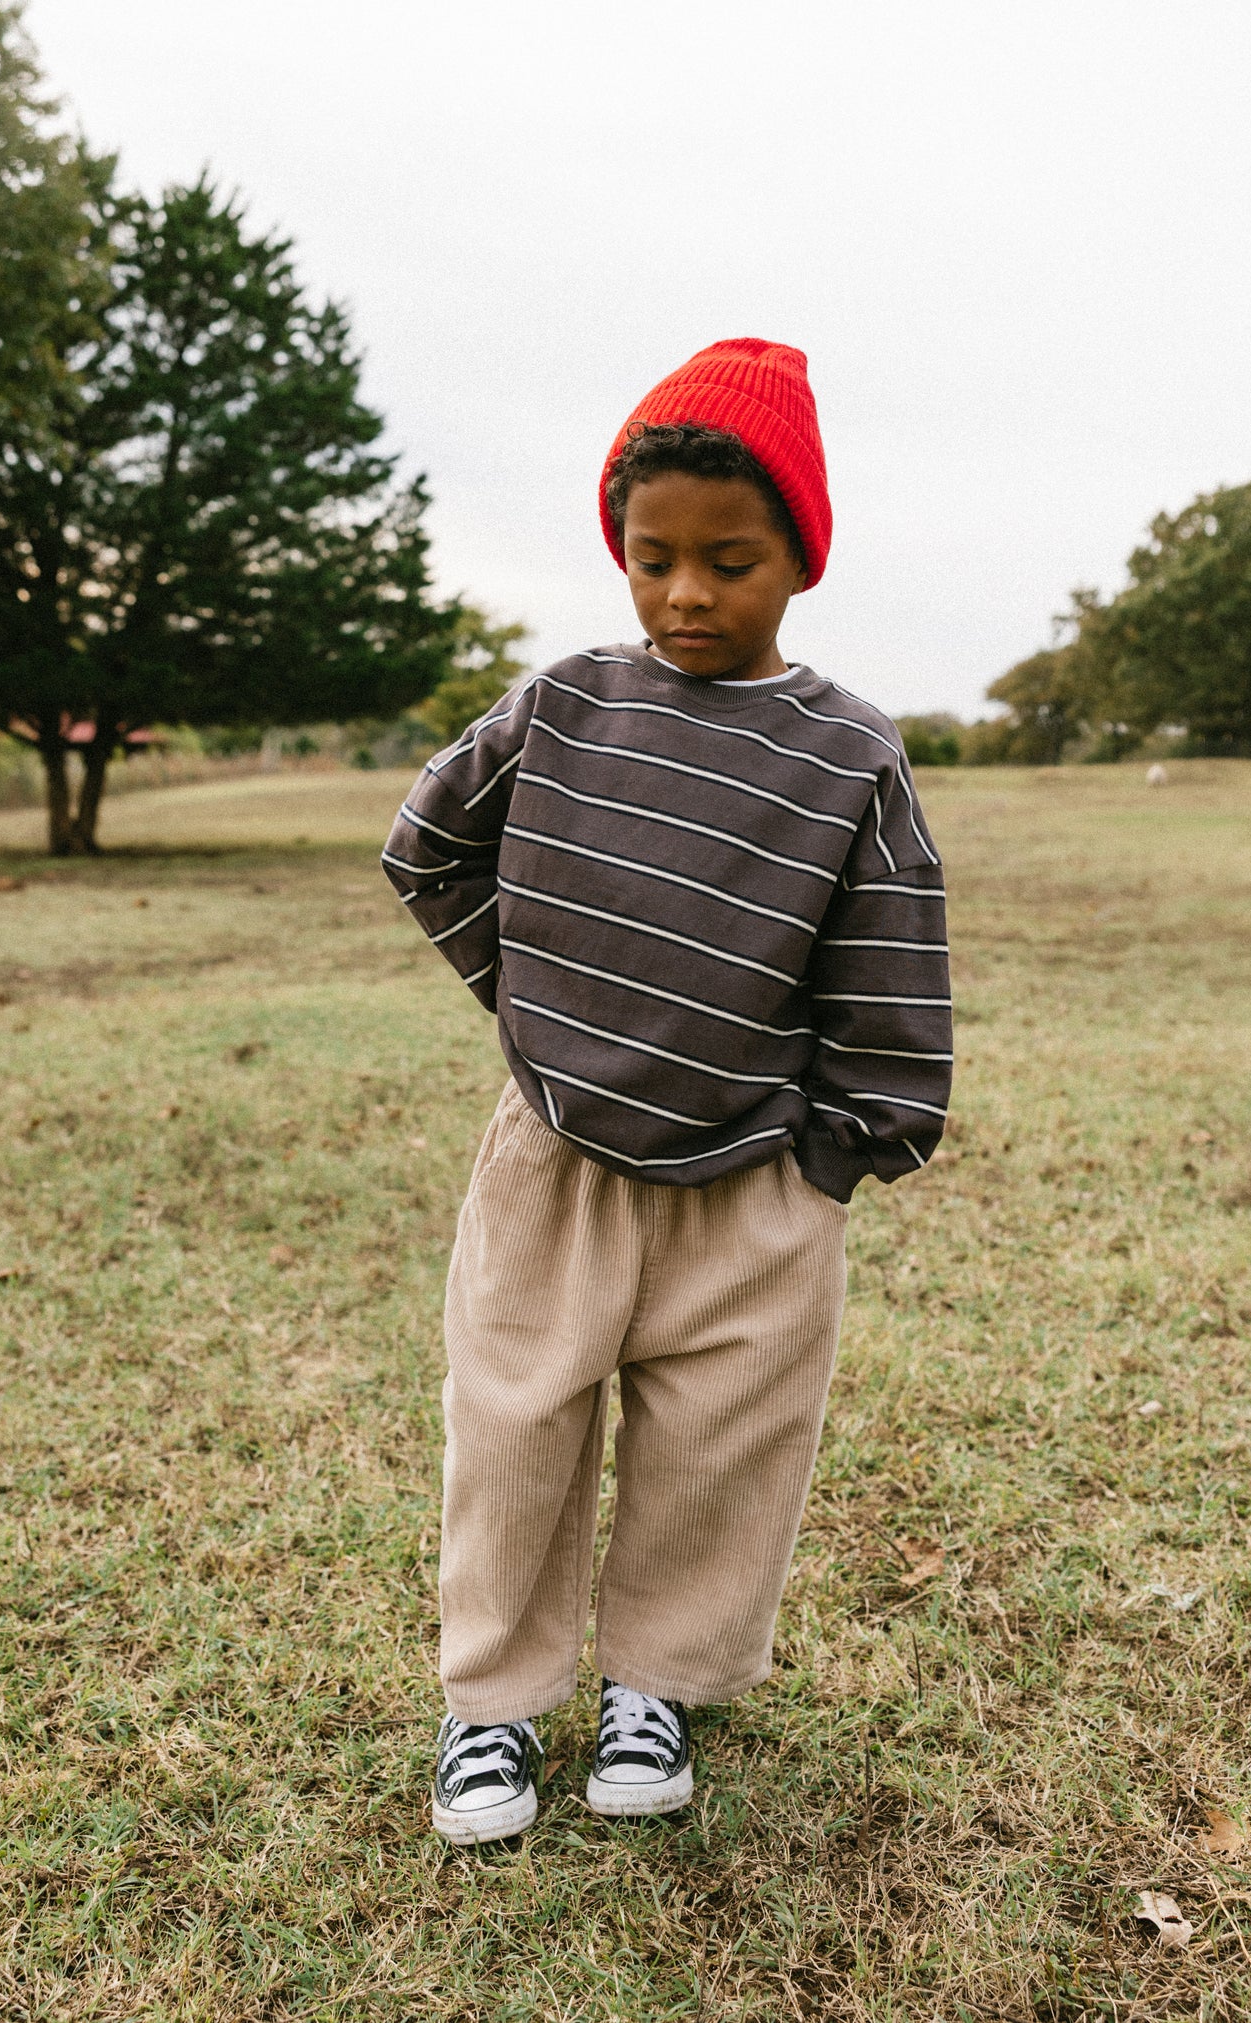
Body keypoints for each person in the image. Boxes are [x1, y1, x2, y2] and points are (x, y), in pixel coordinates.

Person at [382, 338, 953, 1844]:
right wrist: (530, 1004)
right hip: (553, 1167)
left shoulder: (848, 754)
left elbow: (887, 950)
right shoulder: (565, 707)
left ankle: (657, 1684)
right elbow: (425, 847)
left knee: (719, 1452)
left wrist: (843, 1151)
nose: (687, 594)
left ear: (799, 560)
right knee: (512, 1433)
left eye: (730, 560)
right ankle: (491, 1709)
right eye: (653, 560)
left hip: (756, 1186)